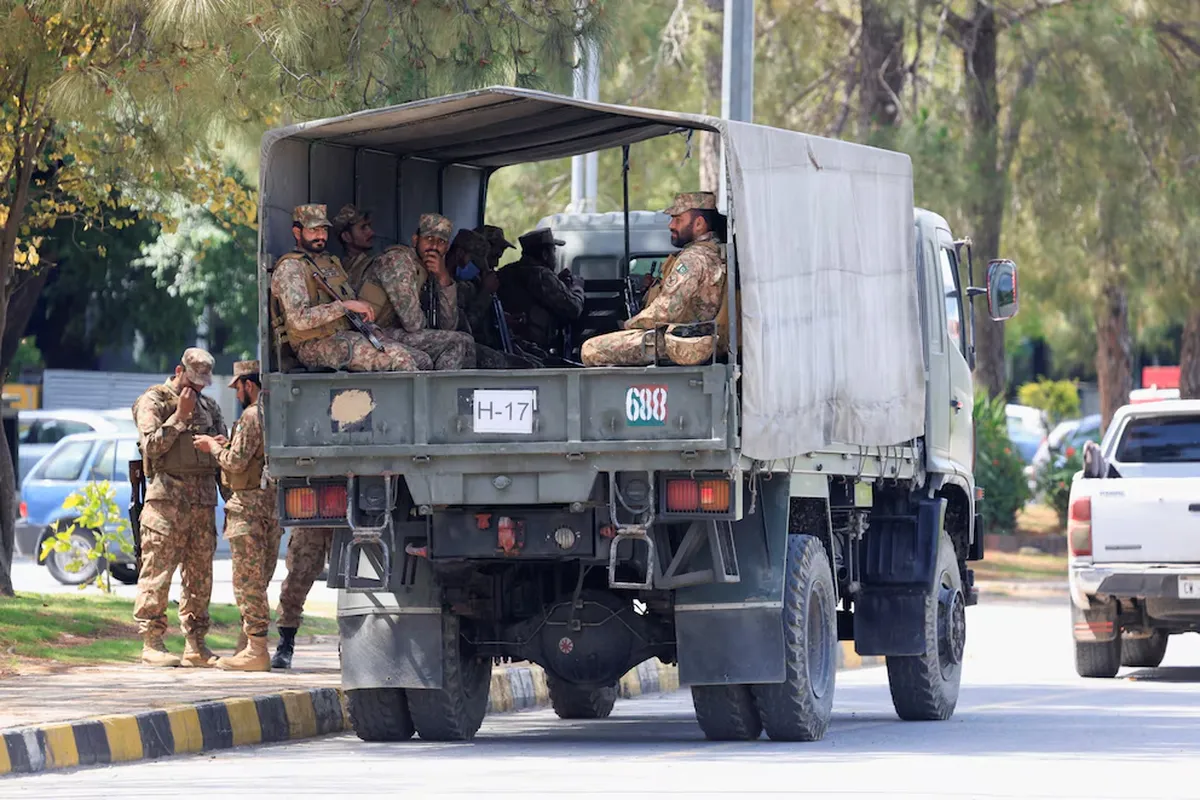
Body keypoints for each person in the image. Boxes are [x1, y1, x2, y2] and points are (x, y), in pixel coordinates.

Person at [131, 348, 228, 667]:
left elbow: (222, 458)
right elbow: (152, 446)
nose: (198, 387)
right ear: (178, 370)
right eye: (193, 380)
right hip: (167, 504)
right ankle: (152, 642)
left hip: (202, 504)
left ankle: (196, 643)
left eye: (203, 382)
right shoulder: (155, 401)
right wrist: (180, 417)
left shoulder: (210, 406)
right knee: (157, 572)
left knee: (200, 577)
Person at [270, 204, 430, 372]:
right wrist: (344, 306)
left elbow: (352, 309)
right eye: (313, 230)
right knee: (400, 359)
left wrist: (374, 330)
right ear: (297, 232)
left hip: (345, 334)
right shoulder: (292, 267)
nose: (320, 236)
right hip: (313, 345)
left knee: (422, 359)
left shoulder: (329, 262)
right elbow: (299, 320)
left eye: (323, 230)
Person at [194, 361, 280, 672]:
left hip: (248, 509)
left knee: (248, 582)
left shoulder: (251, 415)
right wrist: (227, 444)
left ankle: (256, 649)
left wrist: (211, 448)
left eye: (238, 387)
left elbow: (236, 462)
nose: (237, 393)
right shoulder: (276, 413)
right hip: (271, 507)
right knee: (260, 579)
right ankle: (249, 646)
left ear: (248, 384)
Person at [581, 192, 727, 366]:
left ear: (699, 224)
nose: (671, 225)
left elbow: (665, 311)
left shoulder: (693, 258)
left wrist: (629, 324)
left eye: (678, 219)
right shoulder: (714, 252)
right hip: (695, 338)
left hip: (680, 340)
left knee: (590, 349)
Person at [333, 205, 475, 370]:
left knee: (462, 342)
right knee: (459, 341)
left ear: (447, 248)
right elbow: (413, 324)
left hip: (392, 332)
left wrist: (444, 279)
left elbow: (449, 326)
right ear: (415, 240)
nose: (434, 246)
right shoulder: (398, 261)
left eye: (441, 242)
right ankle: (442, 394)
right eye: (429, 239)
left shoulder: (432, 268)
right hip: (372, 332)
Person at [498, 228, 585, 357]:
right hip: (537, 350)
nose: (554, 257)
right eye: (553, 252)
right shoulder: (542, 275)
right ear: (545, 254)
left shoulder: (506, 272)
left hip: (511, 346)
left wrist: (559, 283)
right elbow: (573, 309)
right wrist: (577, 288)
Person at [271, 527, 334, 669]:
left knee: (357, 581)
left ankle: (354, 647)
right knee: (296, 582)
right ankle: (285, 646)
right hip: (310, 517)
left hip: (350, 519)